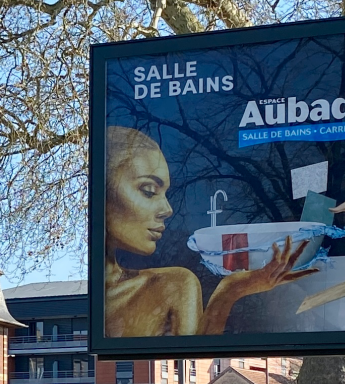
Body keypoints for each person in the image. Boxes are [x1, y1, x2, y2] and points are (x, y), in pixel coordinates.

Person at [104, 126, 317, 338]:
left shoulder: (174, 285)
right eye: (148, 191)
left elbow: (195, 362)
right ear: (102, 191)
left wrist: (230, 290)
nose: (167, 210)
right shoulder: (102, 303)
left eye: (164, 193)